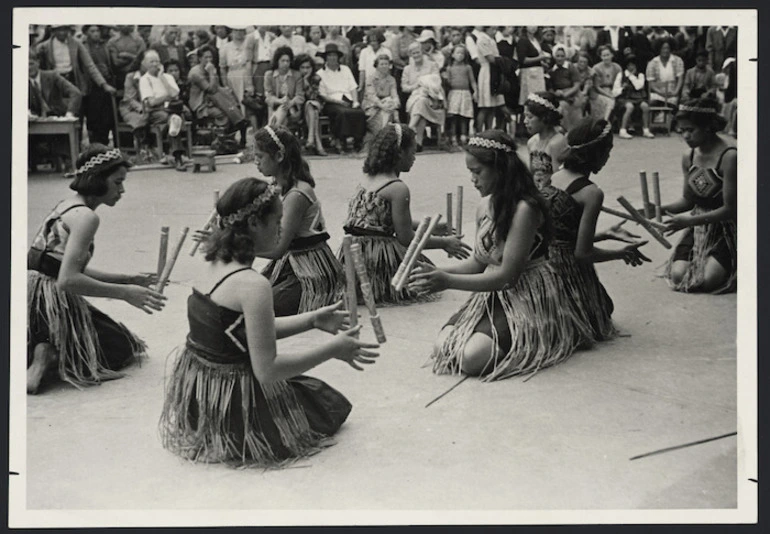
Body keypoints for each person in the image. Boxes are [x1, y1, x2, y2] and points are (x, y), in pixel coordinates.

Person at [159, 177, 379, 468]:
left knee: (316, 395)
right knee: (327, 405)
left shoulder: (214, 261)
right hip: (235, 403)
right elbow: (268, 370)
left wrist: (312, 320)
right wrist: (332, 350)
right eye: (277, 220)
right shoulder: (253, 284)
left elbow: (240, 332)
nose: (281, 228)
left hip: (203, 399)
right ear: (253, 223)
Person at [409, 130, 586, 381]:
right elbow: (478, 264)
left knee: (472, 358)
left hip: (526, 294)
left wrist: (446, 281)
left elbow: (507, 277)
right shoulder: (485, 205)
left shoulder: (525, 208)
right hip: (492, 293)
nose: (472, 179)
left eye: (477, 172)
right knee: (443, 348)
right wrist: (434, 273)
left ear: (500, 169)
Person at [27, 144, 165, 394]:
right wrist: (126, 294)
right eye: (117, 182)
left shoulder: (67, 205)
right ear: (97, 180)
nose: (122, 190)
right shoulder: (87, 218)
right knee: (120, 347)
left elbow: (62, 266)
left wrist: (127, 279)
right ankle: (52, 354)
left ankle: (40, 346)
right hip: (51, 299)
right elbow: (68, 281)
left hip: (31, 296)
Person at [340, 123, 470, 305]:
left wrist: (432, 228)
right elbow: (406, 238)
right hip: (376, 257)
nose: (415, 158)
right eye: (413, 152)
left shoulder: (368, 179)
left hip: (353, 255)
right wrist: (444, 243)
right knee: (424, 274)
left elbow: (383, 219)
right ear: (399, 153)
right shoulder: (398, 188)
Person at [547, 118, 650, 343]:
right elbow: (582, 254)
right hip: (567, 271)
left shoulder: (553, 177)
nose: (608, 157)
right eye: (608, 151)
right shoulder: (592, 193)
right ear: (596, 153)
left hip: (544, 267)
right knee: (603, 309)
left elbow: (562, 235)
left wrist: (604, 234)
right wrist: (622, 252)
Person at [253, 127, 345, 316]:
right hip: (290, 265)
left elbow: (278, 249)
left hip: (310, 271)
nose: (256, 161)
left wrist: (233, 247)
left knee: (259, 306)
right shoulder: (275, 186)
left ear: (279, 156)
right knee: (246, 297)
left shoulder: (297, 194)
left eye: (259, 156)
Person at [661, 97, 736, 294]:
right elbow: (688, 201)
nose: (685, 135)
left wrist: (688, 222)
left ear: (709, 127)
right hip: (698, 225)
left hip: (727, 228)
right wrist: (659, 209)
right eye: (682, 130)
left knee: (709, 280)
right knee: (679, 276)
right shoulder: (689, 156)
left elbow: (731, 209)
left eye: (690, 130)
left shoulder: (729, 157)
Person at [36, 24, 117, 120]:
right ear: (53, 31)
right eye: (59, 30)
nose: (62, 33)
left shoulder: (76, 44)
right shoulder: (44, 46)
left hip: (72, 80)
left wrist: (103, 84)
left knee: (77, 113)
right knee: (56, 114)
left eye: (65, 29)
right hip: (55, 82)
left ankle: (77, 133)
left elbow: (90, 65)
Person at [138, 50, 187, 171]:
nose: (155, 64)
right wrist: (167, 96)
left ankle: (174, 155)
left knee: (172, 118)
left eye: (157, 61)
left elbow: (175, 93)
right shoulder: (145, 80)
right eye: (151, 61)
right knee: (171, 119)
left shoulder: (168, 77)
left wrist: (162, 78)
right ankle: (177, 157)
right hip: (155, 112)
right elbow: (151, 102)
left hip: (171, 109)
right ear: (145, 64)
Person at [317, 43, 366, 153]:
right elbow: (322, 95)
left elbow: (353, 87)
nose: (332, 58)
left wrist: (355, 101)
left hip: (347, 98)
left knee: (359, 112)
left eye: (335, 55)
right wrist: (338, 101)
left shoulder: (345, 69)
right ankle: (340, 140)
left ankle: (357, 141)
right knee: (342, 113)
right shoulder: (320, 73)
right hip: (331, 102)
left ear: (338, 57)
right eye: (329, 56)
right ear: (326, 58)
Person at [187, 45, 245, 133]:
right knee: (224, 110)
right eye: (206, 57)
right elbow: (211, 90)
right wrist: (211, 72)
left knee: (227, 96)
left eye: (210, 57)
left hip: (213, 100)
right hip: (200, 104)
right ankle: (238, 122)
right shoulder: (195, 73)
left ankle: (239, 123)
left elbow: (217, 86)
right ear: (199, 58)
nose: (209, 60)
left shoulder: (210, 68)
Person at [401, 42, 445, 152]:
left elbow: (437, 82)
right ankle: (418, 142)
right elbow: (404, 87)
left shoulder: (432, 65)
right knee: (421, 104)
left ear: (422, 52)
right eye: (413, 53)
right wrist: (416, 85)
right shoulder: (407, 69)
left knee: (421, 102)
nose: (416, 55)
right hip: (414, 97)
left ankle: (410, 129)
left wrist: (426, 85)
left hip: (432, 97)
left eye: (418, 52)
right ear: (410, 55)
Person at [81, 25, 117, 146]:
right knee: (94, 118)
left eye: (97, 31)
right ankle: (96, 146)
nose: (96, 33)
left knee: (107, 117)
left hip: (107, 84)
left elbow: (110, 63)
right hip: (92, 87)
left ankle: (106, 144)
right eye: (92, 31)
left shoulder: (104, 45)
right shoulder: (83, 47)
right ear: (87, 33)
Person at [523, 92, 568, 188]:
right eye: (525, 116)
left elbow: (559, 179)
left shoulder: (556, 142)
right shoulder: (531, 142)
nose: (525, 121)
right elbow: (531, 174)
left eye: (530, 117)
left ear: (544, 118)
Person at [442, 44, 477, 147]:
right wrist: (445, 78)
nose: (460, 55)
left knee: (464, 116)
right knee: (453, 116)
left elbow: (472, 81)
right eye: (458, 52)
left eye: (462, 53)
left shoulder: (468, 67)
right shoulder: (450, 68)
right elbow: (447, 82)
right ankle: (453, 137)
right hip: (454, 94)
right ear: (452, 55)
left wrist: (476, 91)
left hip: (465, 93)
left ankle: (463, 136)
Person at [613, 55, 654, 139]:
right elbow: (615, 91)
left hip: (638, 98)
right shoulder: (621, 75)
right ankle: (623, 130)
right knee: (629, 107)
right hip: (624, 98)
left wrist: (631, 76)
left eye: (633, 65)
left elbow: (638, 86)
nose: (631, 67)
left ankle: (646, 130)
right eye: (629, 65)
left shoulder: (640, 75)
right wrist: (622, 88)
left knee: (645, 106)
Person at [473, 26, 505, 132]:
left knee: (492, 106)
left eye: (496, 29)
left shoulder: (491, 39)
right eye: (492, 29)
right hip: (487, 73)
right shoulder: (482, 39)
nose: (495, 31)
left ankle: (489, 131)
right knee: (485, 106)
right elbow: (491, 58)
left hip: (494, 72)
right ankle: (478, 133)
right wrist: (504, 62)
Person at [264, 46, 304, 130]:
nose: (285, 63)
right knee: (283, 117)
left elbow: (300, 96)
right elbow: (268, 96)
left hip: (293, 109)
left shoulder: (296, 75)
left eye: (288, 61)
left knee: (283, 108)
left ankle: (270, 132)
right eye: (283, 61)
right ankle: (274, 135)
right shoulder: (269, 75)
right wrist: (280, 101)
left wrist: (290, 103)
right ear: (277, 61)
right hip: (275, 107)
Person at [362, 54, 400, 141]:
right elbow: (372, 96)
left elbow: (394, 95)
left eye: (386, 64)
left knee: (390, 102)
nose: (384, 66)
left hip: (387, 105)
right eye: (382, 64)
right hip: (372, 106)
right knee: (388, 108)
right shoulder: (370, 78)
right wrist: (384, 106)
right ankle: (383, 134)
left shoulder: (391, 79)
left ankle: (383, 134)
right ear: (377, 66)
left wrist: (396, 104)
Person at [295, 54, 326, 156]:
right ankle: (317, 144)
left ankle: (311, 139)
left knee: (310, 104)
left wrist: (306, 82)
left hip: (316, 103)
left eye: (308, 67)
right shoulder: (295, 78)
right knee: (313, 111)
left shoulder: (316, 78)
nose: (305, 70)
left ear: (312, 68)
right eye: (302, 67)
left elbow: (313, 96)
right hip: (303, 109)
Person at [548, 44, 583, 131]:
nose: (560, 58)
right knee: (560, 107)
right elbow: (550, 87)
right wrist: (555, 93)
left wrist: (566, 94)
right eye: (558, 56)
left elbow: (577, 85)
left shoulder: (571, 67)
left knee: (568, 107)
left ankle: (574, 131)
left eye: (562, 56)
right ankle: (566, 131)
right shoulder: (552, 70)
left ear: (565, 57)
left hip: (573, 94)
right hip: (559, 96)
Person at [646, 38, 685, 109]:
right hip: (657, 94)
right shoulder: (652, 63)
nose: (666, 50)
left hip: (672, 93)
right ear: (659, 49)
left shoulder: (678, 60)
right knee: (655, 105)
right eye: (663, 48)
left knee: (670, 110)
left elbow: (680, 80)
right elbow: (651, 84)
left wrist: (676, 92)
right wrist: (661, 93)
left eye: (668, 48)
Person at [107, 25, 147, 90]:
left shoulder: (139, 40)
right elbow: (116, 62)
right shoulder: (112, 42)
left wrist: (127, 55)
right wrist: (135, 58)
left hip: (137, 75)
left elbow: (143, 59)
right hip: (120, 77)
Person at [516, 26, 548, 107]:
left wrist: (542, 63)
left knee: (539, 100)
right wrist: (540, 58)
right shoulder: (523, 40)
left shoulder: (536, 40)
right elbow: (523, 60)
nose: (533, 27)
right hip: (529, 74)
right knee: (530, 101)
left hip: (538, 73)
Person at [590, 45, 622, 121]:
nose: (606, 57)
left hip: (613, 90)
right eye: (604, 56)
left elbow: (618, 83)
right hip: (599, 92)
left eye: (608, 55)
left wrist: (615, 93)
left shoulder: (617, 67)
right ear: (601, 57)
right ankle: (603, 122)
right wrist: (609, 95)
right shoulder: (597, 68)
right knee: (609, 102)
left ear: (612, 55)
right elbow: (597, 87)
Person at [357, 29, 393, 97]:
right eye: (371, 41)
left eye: (375, 41)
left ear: (379, 41)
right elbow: (362, 71)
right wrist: (361, 86)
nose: (373, 43)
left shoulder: (387, 51)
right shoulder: (364, 52)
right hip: (369, 84)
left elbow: (389, 70)